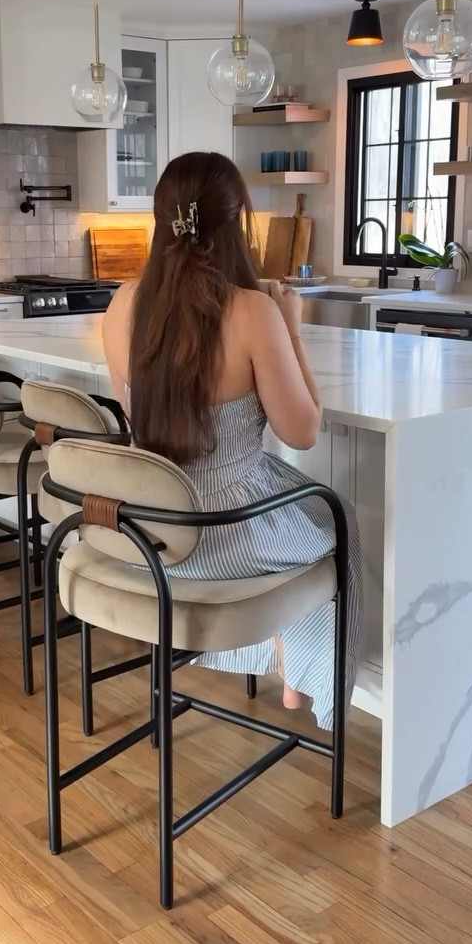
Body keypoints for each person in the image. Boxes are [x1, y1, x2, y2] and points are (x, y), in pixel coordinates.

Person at [102, 151, 362, 728]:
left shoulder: (123, 303)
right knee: (335, 521)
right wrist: (289, 324)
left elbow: (135, 410)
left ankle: (283, 666)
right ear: (238, 222)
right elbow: (303, 430)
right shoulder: (252, 311)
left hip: (154, 532)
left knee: (312, 518)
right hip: (227, 534)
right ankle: (306, 682)